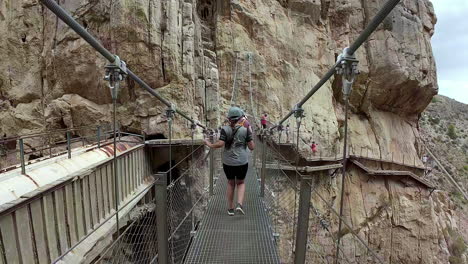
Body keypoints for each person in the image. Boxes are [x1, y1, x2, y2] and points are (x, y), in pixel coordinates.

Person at [205, 106, 255, 216]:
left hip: (228, 163)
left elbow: (220, 144)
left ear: (229, 119)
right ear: (240, 118)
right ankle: (239, 205)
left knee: (231, 183)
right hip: (242, 162)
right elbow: (252, 147)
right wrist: (249, 136)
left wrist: (209, 144)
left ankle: (230, 208)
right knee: (241, 182)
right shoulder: (245, 130)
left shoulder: (224, 129)